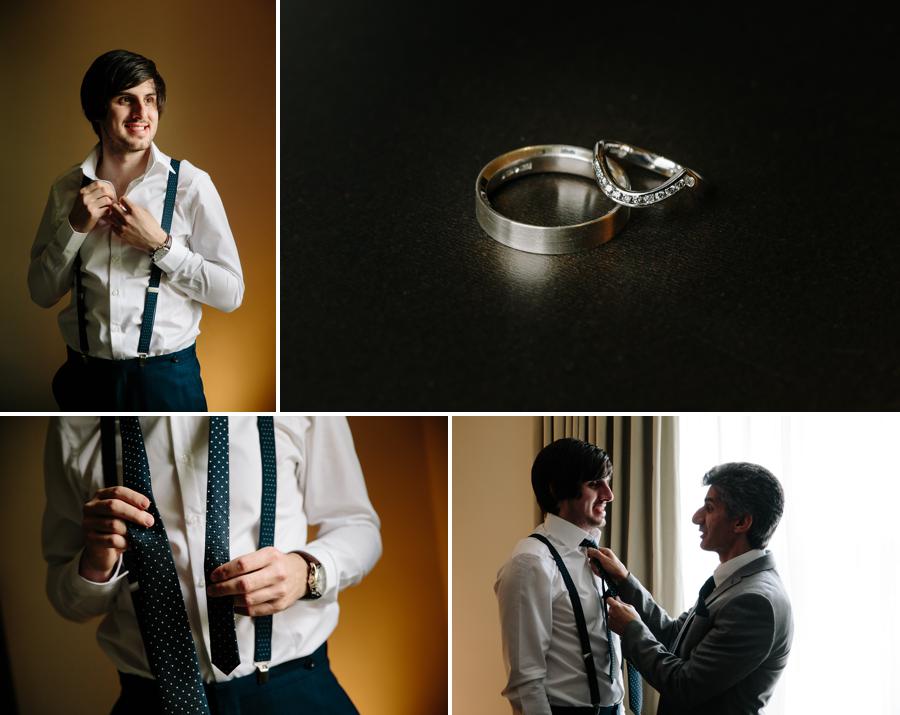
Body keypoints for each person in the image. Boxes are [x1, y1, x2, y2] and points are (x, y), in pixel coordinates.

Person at [42, 416, 381, 714]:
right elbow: (68, 601)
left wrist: (306, 572)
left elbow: (357, 525)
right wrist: (96, 562)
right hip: (150, 700)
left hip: (294, 693)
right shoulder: (75, 423)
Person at [29, 49, 244, 411]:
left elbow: (231, 293)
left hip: (168, 381)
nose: (141, 114)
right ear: (98, 109)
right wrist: (74, 228)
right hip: (83, 380)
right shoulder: (66, 190)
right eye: (125, 100)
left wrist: (161, 245)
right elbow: (40, 292)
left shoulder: (191, 185)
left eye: (149, 100)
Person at [588, 462, 793, 715]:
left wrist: (631, 629)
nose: (696, 517)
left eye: (709, 508)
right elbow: (676, 636)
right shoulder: (736, 581)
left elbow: (684, 685)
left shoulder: (754, 601)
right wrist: (625, 580)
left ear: (741, 522)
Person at [495, 438, 626, 715]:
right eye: (594, 484)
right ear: (558, 489)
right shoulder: (530, 563)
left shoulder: (595, 555)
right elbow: (525, 682)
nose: (609, 494)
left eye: (607, 481)